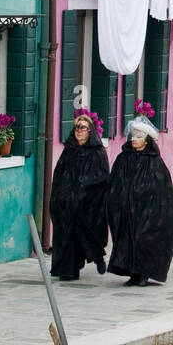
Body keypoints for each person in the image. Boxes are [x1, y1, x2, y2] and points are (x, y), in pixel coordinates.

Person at [106, 117, 173, 287]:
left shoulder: (154, 161)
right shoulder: (123, 159)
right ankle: (133, 273)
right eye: (132, 137)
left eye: (138, 137)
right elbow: (115, 182)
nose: (134, 141)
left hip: (147, 211)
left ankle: (144, 273)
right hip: (126, 210)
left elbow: (161, 188)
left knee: (143, 239)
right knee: (127, 239)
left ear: (146, 140)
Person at [49, 113, 110, 282]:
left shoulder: (97, 152)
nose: (79, 131)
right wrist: (62, 194)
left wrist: (84, 187)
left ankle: (97, 256)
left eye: (83, 127)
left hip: (89, 203)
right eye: (77, 127)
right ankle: (68, 270)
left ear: (90, 130)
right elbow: (60, 174)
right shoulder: (69, 150)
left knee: (86, 232)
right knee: (68, 234)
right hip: (68, 202)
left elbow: (103, 176)